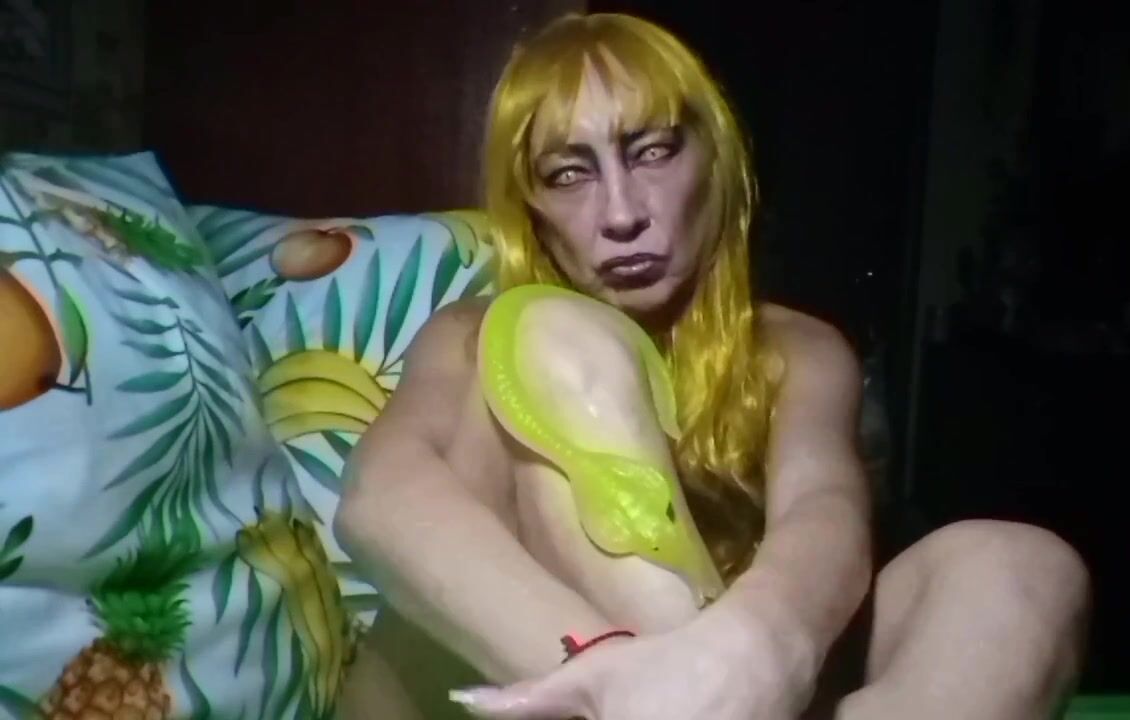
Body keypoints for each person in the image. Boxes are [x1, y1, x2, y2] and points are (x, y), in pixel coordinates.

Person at [333, 12, 1090, 720]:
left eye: (652, 152)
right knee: (547, 334)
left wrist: (752, 643)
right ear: (531, 209)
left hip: (729, 684)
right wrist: (617, 671)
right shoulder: (469, 336)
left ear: (715, 158)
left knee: (1019, 566)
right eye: (568, 174)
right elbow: (381, 501)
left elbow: (822, 510)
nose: (621, 213)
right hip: (524, 685)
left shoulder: (795, 348)